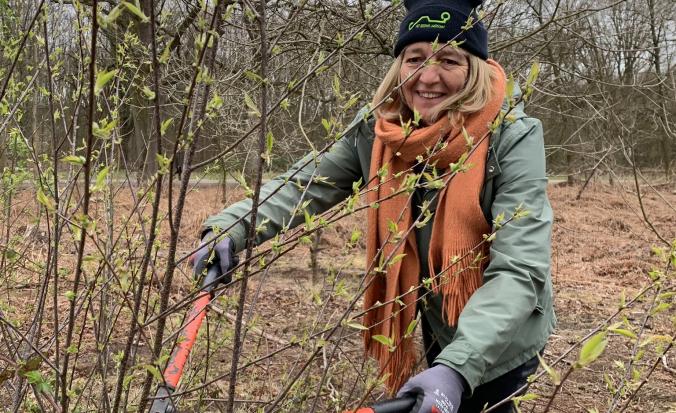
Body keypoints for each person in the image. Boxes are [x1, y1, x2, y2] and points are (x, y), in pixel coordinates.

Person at [193, 0, 555, 411]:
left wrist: (456, 367)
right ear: (399, 64)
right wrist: (234, 227)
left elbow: (520, 269)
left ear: (472, 66)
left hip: (502, 326)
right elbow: (304, 184)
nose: (428, 77)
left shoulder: (512, 135)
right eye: (415, 58)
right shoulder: (381, 129)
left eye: (448, 61)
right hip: (438, 311)